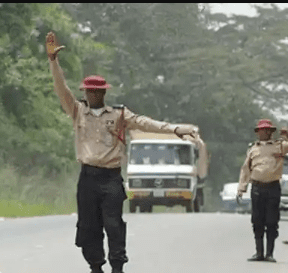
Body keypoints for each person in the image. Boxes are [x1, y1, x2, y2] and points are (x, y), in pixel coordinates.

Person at [45, 31, 199, 273]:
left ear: (104, 93)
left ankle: (118, 266)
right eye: (88, 91)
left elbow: (146, 123)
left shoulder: (119, 114)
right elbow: (61, 89)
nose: (91, 94)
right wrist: (53, 61)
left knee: (114, 224)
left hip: (111, 178)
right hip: (87, 177)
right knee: (88, 226)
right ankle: (95, 266)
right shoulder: (77, 111)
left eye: (96, 91)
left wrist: (175, 129)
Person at [237, 119, 288, 262]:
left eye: (266, 130)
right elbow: (246, 169)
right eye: (260, 130)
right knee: (257, 221)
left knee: (271, 221)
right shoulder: (253, 149)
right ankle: (259, 252)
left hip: (272, 187)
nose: (263, 133)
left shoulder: (280, 146)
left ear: (270, 132)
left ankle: (269, 253)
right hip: (257, 187)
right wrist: (241, 188)